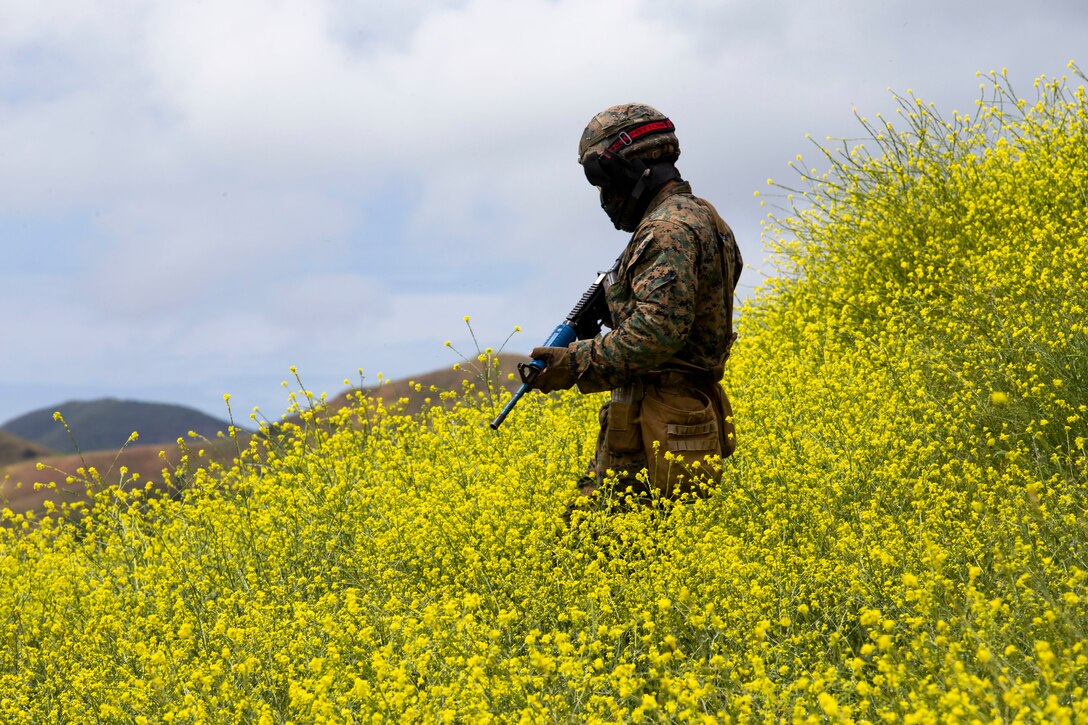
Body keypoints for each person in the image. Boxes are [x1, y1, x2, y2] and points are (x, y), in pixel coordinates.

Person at [528, 103, 743, 504]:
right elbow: (690, 311)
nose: (604, 197)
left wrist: (573, 362)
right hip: (670, 426)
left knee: (603, 551)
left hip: (657, 431)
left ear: (628, 169)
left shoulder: (667, 230)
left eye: (604, 181)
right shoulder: (705, 218)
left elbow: (657, 332)